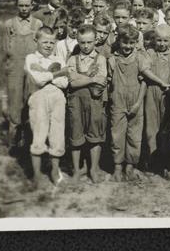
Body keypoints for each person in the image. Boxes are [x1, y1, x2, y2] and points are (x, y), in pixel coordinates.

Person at [24, 26, 68, 188]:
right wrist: (58, 74)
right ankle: (37, 175)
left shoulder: (59, 59)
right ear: (36, 41)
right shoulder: (31, 58)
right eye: (45, 42)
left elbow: (64, 83)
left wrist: (46, 73)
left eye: (52, 42)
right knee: (39, 133)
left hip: (57, 97)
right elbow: (37, 81)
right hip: (39, 98)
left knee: (57, 133)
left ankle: (55, 171)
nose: (49, 45)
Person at [66, 24, 108, 183]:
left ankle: (93, 169)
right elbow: (72, 83)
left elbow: (101, 82)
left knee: (95, 136)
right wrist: (90, 79)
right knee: (76, 135)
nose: (85, 46)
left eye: (89, 42)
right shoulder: (72, 59)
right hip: (75, 102)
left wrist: (80, 78)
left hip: (94, 102)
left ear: (95, 41)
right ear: (77, 41)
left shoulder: (101, 59)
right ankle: (77, 170)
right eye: (82, 42)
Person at [3, 0, 43, 149]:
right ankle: (13, 141)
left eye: (27, 5)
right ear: (17, 5)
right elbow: (6, 48)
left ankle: (29, 141)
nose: (24, 8)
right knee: (15, 102)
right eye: (21, 5)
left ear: (32, 5)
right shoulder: (9, 24)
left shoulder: (38, 24)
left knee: (32, 101)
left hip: (32, 68)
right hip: (16, 67)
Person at [143, 24, 170, 176]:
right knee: (151, 127)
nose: (162, 44)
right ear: (154, 39)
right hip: (152, 92)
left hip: (168, 95)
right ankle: (152, 161)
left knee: (166, 128)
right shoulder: (149, 53)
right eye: (159, 40)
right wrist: (160, 82)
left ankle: (165, 161)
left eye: (165, 41)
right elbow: (145, 70)